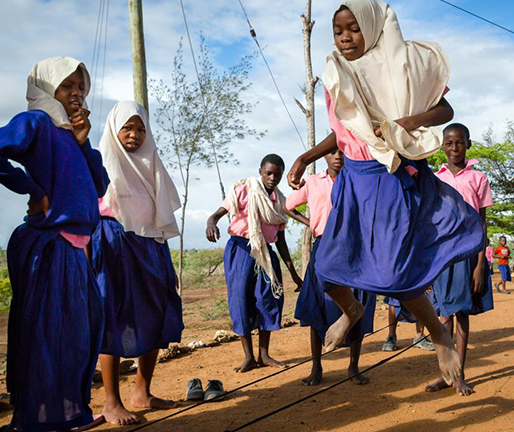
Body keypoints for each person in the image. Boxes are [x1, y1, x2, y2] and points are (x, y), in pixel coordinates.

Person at [287, 0, 485, 387]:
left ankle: (440, 334)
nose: (345, 37)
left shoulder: (400, 67)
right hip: (354, 180)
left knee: (395, 272)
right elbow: (344, 131)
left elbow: (445, 112)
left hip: (391, 176)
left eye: (355, 28)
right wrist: (307, 157)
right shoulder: (338, 73)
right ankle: (352, 312)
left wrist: (404, 122)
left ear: (373, 27)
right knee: (327, 269)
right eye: (338, 30)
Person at [0, 57, 109, 431]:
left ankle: (67, 414)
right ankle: (35, 420)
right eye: (67, 87)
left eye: (81, 87)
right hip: (49, 245)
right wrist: (30, 189)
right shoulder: (37, 122)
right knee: (46, 336)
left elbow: (99, 187)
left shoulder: (69, 133)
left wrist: (83, 144)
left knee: (78, 336)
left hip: (75, 249)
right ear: (48, 88)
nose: (76, 94)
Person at [92, 101, 184, 425]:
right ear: (115, 130)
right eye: (128, 128)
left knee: (158, 312)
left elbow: (158, 218)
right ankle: (111, 402)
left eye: (141, 128)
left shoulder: (151, 166)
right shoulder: (101, 164)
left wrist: (167, 263)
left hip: (151, 246)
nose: (135, 135)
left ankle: (142, 392)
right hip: (115, 244)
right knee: (112, 318)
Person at [206, 154, 303, 373]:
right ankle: (248, 356)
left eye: (277, 174)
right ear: (260, 171)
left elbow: (280, 240)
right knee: (241, 302)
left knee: (267, 300)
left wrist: (293, 274)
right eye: (268, 173)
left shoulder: (279, 202)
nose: (272, 178)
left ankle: (264, 354)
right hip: (241, 250)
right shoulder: (244, 189)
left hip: (266, 255)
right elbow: (218, 214)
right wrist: (211, 222)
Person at [287, 149, 377, 385]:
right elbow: (288, 206)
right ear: (324, 157)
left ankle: (353, 367)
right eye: (331, 153)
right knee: (317, 305)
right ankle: (316, 367)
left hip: (353, 248)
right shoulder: (313, 182)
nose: (337, 156)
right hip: (323, 246)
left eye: (341, 152)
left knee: (356, 303)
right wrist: (311, 223)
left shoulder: (357, 181)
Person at [426, 123, 494, 395]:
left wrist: (479, 264)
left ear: (468, 144)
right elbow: (429, 224)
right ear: (442, 147)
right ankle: (446, 373)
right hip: (442, 253)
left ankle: (460, 376)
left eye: (460, 143)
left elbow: (482, 223)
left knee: (462, 313)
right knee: (442, 314)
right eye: (449, 143)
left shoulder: (478, 178)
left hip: (468, 254)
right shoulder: (434, 179)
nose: (454, 148)